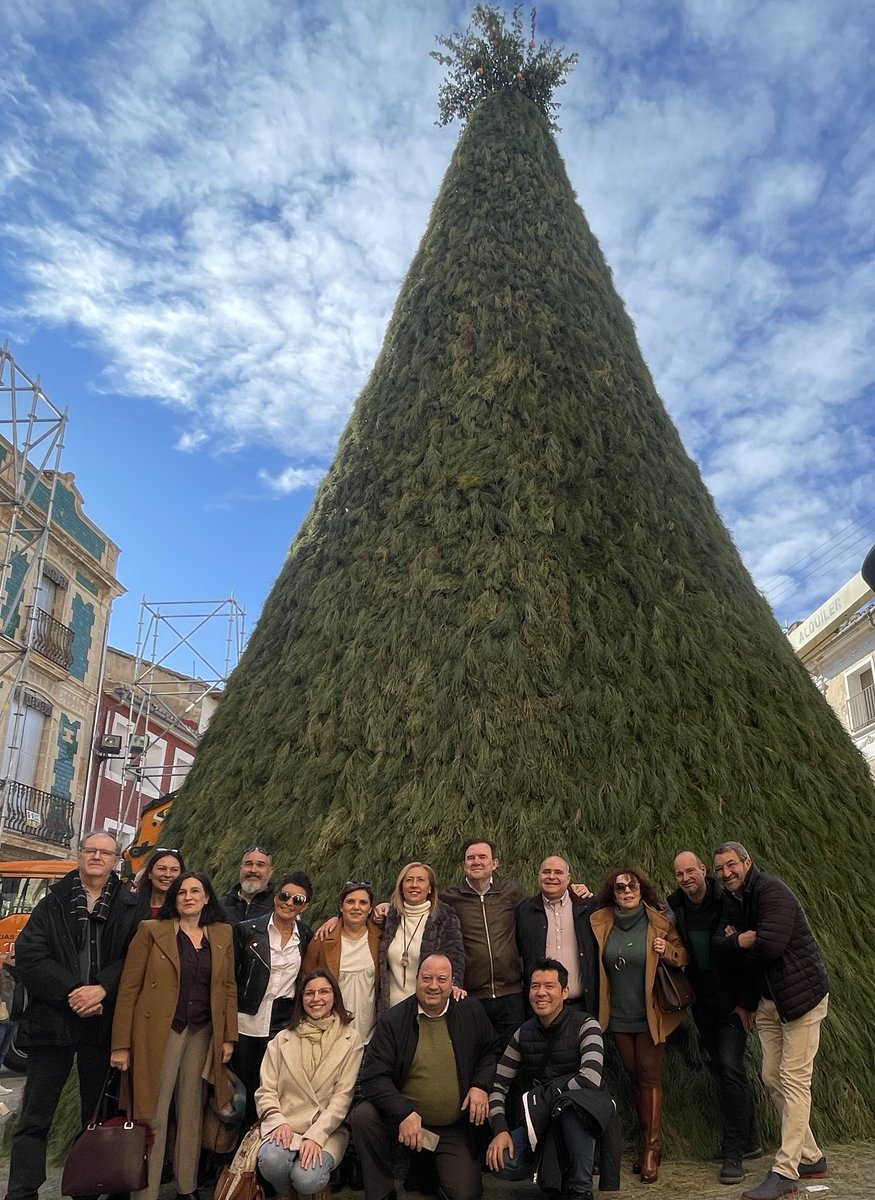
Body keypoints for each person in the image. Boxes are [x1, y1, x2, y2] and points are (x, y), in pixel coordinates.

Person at [4, 829, 141, 1200]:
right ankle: (21, 1192)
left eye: (105, 852)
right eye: (90, 850)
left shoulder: (131, 906)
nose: (97, 857)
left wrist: (102, 988)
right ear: (80, 855)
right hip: (53, 1022)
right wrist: (73, 992)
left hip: (103, 1023)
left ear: (116, 861)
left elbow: (136, 957)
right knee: (34, 1118)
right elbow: (31, 956)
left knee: (95, 1118)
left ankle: (88, 1189)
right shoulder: (53, 902)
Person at [713, 842, 829, 1200]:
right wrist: (737, 944)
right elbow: (724, 947)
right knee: (771, 1076)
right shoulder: (736, 899)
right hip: (767, 1002)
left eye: (731, 864)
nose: (725, 872)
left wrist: (740, 944)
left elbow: (769, 948)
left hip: (800, 1000)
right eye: (719, 868)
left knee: (795, 1080)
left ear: (747, 862)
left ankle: (786, 1171)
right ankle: (811, 1157)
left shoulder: (772, 891)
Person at [110, 871, 238, 1200]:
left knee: (192, 1112)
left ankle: (186, 1187)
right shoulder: (152, 931)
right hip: (158, 1032)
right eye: (181, 892)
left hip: (202, 1032)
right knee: (152, 1111)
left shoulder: (222, 934)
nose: (188, 897)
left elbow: (227, 988)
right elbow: (129, 989)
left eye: (196, 891)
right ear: (174, 899)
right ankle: (146, 1192)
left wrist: (227, 1037)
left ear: (208, 897)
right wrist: (121, 1045)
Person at [352, 954, 499, 1200]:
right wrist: (404, 1112)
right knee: (364, 1116)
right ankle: (381, 1193)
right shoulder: (393, 1020)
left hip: (452, 1127)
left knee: (465, 1195)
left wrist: (480, 1085)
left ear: (453, 983)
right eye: (427, 978)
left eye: (442, 979)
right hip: (404, 1120)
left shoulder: (471, 1010)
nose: (433, 985)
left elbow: (490, 1051)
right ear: (416, 979)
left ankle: (429, 1165)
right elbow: (373, 1077)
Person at [487, 958, 617, 1200]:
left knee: (570, 1106)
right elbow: (498, 1085)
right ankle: (553, 1171)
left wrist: (547, 1096)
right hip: (543, 1117)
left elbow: (590, 1078)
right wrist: (500, 1129)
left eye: (549, 986)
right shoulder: (522, 1034)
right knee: (504, 1162)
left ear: (565, 992)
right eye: (535, 986)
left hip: (584, 1115)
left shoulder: (586, 1026)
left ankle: (580, 1190)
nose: (541, 993)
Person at [590, 868, 688, 1184]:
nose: (627, 891)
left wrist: (667, 951)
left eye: (632, 886)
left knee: (649, 1076)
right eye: (620, 887)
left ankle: (651, 1149)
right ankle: (647, 1139)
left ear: (641, 889)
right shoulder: (603, 921)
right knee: (635, 1076)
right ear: (613, 893)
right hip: (618, 1015)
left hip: (650, 1013)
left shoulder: (658, 921)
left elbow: (683, 956)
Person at [668, 851, 761, 1185]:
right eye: (679, 874)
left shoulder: (727, 900)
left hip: (732, 1001)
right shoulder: (675, 904)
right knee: (722, 1068)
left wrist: (746, 1003)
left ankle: (734, 1152)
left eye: (690, 871)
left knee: (732, 1066)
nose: (686, 878)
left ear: (703, 871)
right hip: (702, 1002)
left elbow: (750, 953)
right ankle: (750, 1140)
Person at [255, 967, 364, 1197]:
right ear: (301, 999)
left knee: (306, 1178)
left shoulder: (351, 1040)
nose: (316, 999)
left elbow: (342, 1098)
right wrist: (277, 1122)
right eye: (309, 993)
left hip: (327, 1130)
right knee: (271, 1161)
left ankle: (310, 1191)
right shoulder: (281, 1040)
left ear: (334, 996)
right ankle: (285, 1195)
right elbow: (266, 1090)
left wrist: (316, 1136)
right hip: (285, 1125)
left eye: (324, 992)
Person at [234, 872, 315, 1127]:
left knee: (272, 1094)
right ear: (276, 896)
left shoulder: (306, 936)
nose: (289, 903)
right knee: (239, 1095)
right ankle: (230, 1159)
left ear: (306, 905)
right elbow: (229, 981)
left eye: (298, 899)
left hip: (280, 1026)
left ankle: (259, 1156)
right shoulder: (247, 931)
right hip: (245, 1024)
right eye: (285, 895)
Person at [439, 839, 527, 1042]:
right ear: (464, 865)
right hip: (470, 995)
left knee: (512, 1058)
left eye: (482, 857)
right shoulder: (449, 898)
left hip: (511, 994)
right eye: (471, 858)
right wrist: (386, 908)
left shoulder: (510, 892)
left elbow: (539, 909)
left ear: (494, 863)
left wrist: (574, 892)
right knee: (475, 1054)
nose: (476, 862)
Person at [516, 856, 599, 1016]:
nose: (551, 877)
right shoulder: (525, 911)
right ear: (539, 876)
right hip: (541, 1007)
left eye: (558, 872)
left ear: (568, 878)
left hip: (582, 1005)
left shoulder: (587, 908)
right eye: (546, 872)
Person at [303, 880, 382, 1043]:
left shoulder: (381, 938)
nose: (356, 907)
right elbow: (305, 981)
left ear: (370, 908)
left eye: (363, 902)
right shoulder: (322, 940)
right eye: (350, 902)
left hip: (370, 1033)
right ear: (341, 907)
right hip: (332, 1032)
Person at [379, 863, 464, 1011]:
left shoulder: (445, 918)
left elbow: (455, 958)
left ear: (430, 887)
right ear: (401, 886)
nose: (414, 885)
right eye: (409, 880)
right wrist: (335, 920)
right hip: (391, 1010)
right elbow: (355, 919)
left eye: (420, 880)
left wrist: (455, 986)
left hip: (427, 1008)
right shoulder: (389, 917)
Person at [221, 844, 275, 924]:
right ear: (241, 869)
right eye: (248, 864)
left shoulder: (279, 908)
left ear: (270, 872)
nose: (253, 870)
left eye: (260, 865)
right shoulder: (219, 906)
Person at [134, 847, 185, 917]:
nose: (168, 874)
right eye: (161, 868)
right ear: (150, 874)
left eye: (174, 870)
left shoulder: (186, 911)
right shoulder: (132, 909)